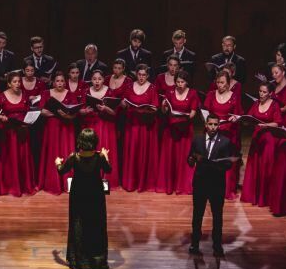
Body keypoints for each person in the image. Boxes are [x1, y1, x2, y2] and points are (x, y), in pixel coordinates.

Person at [56, 128, 111, 269]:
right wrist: (106, 156)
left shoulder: (74, 157)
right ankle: (97, 260)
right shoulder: (99, 158)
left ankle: (81, 261)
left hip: (78, 195)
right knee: (96, 223)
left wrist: (57, 162)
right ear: (94, 142)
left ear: (80, 141)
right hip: (95, 195)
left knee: (78, 224)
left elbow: (61, 170)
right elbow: (109, 169)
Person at [188, 113, 235, 258]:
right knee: (197, 215)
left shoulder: (225, 142)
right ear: (206, 125)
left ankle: (217, 245)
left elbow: (228, 164)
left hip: (216, 185)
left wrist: (216, 166)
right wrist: (191, 159)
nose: (213, 127)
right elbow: (190, 160)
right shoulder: (198, 139)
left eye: (216, 124)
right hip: (200, 184)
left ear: (219, 126)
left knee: (217, 217)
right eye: (211, 124)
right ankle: (195, 243)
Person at [237, 82, 282, 206]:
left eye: (264, 92)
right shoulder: (256, 103)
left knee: (265, 167)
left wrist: (266, 125)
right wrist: (244, 121)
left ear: (270, 94)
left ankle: (264, 197)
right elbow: (249, 117)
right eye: (260, 91)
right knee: (254, 166)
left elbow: (277, 123)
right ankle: (254, 195)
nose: (261, 94)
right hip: (257, 137)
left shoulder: (274, 105)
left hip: (268, 139)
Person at [157, 70, 199, 195]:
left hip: (185, 128)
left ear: (187, 82)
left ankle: (183, 185)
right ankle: (169, 184)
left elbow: (193, 113)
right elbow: (164, 111)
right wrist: (164, 106)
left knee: (183, 156)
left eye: (182, 82)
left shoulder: (192, 93)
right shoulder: (169, 92)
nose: (180, 84)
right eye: (178, 82)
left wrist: (184, 119)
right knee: (170, 157)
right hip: (171, 129)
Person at [203, 71, 243, 200]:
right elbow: (205, 113)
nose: (220, 85)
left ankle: (226, 190)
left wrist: (234, 118)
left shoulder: (234, 97)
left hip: (228, 133)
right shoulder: (210, 95)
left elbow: (239, 115)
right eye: (218, 82)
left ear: (229, 83)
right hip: (213, 132)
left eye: (222, 83)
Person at [0, 72, 37, 196]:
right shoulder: (2, 97)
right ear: (8, 83)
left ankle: (25, 185)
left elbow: (28, 110)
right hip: (10, 132)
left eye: (19, 81)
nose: (18, 84)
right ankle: (13, 185)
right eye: (14, 82)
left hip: (23, 130)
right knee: (12, 157)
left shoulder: (24, 94)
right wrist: (2, 117)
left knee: (23, 157)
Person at [120, 64, 159, 192]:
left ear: (147, 76)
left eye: (144, 75)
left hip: (145, 127)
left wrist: (145, 109)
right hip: (132, 125)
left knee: (143, 153)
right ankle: (131, 182)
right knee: (132, 152)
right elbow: (124, 103)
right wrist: (124, 104)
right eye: (139, 74)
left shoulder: (152, 88)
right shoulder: (129, 86)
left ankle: (143, 183)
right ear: (136, 74)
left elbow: (154, 108)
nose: (141, 77)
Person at [38, 72, 78, 195]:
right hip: (52, 127)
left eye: (61, 81)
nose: (59, 83)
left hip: (66, 128)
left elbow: (74, 112)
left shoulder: (70, 94)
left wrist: (66, 116)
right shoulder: (46, 93)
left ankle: (67, 184)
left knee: (66, 152)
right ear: (53, 82)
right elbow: (42, 110)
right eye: (57, 81)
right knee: (53, 152)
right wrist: (57, 114)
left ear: (65, 82)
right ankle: (53, 183)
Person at [80, 70, 120, 188]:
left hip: (106, 126)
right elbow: (80, 110)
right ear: (91, 80)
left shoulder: (109, 92)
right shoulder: (86, 91)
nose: (97, 81)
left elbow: (114, 113)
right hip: (90, 125)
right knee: (90, 152)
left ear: (103, 80)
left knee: (104, 152)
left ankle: (105, 184)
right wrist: (85, 111)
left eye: (99, 79)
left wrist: (105, 109)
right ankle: (89, 182)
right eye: (94, 79)